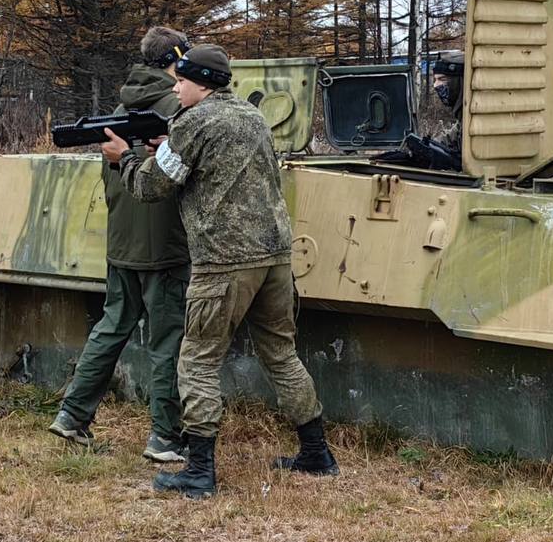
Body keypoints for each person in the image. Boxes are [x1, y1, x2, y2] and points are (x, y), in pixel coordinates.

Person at [100, 43, 338, 499]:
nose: (175, 88)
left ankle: (199, 471)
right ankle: (316, 453)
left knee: (197, 361)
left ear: (203, 84)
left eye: (181, 81)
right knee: (282, 355)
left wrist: (124, 158)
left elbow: (150, 187)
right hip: (274, 256)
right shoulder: (251, 116)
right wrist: (168, 149)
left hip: (223, 261)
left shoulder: (194, 123)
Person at [49, 27, 192, 464]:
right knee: (168, 341)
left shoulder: (120, 108)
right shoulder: (179, 108)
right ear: (176, 60)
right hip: (165, 243)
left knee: (111, 328)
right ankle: (165, 437)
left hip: (123, 242)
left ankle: (72, 415)